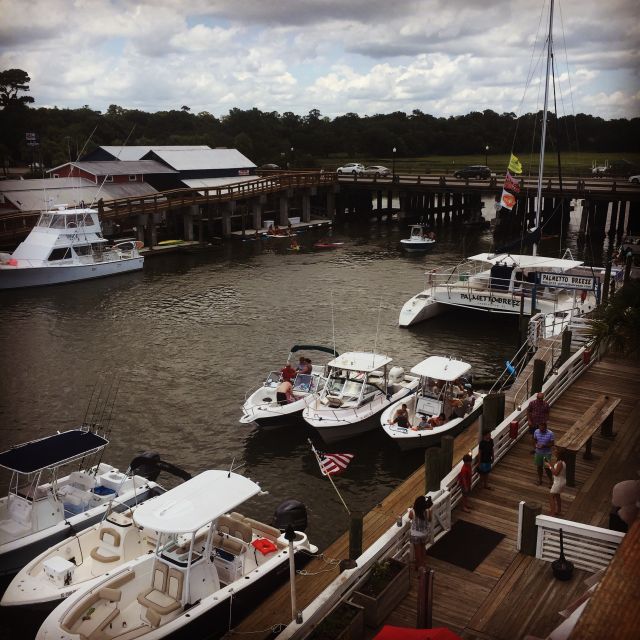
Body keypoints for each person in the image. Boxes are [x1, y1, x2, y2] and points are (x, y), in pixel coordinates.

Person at [408, 495, 433, 568]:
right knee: (423, 548)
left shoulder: (413, 512)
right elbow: (430, 519)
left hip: (415, 535)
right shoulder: (428, 512)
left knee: (417, 551)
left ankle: (420, 566)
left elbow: (410, 517)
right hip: (424, 534)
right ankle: (423, 562)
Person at [546, 447, 567, 516]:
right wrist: (550, 464)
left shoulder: (560, 463)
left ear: (559, 454)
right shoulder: (561, 462)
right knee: (557, 496)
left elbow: (555, 473)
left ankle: (552, 513)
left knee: (551, 496)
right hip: (560, 481)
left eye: (556, 451)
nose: (554, 452)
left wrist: (549, 466)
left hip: (559, 482)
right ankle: (559, 511)